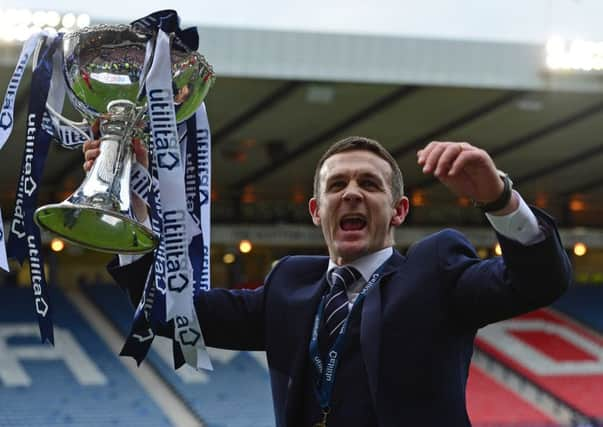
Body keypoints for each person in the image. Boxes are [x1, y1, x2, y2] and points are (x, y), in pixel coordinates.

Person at [83, 136, 571, 427]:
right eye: (337, 185)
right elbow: (171, 312)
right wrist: (135, 205)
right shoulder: (289, 285)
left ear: (398, 210)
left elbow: (537, 281)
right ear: (317, 211)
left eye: (369, 184)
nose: (352, 193)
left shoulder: (435, 271)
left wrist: (499, 199)